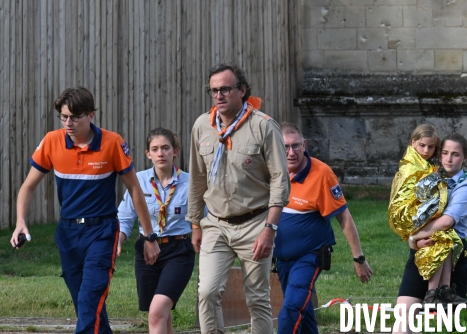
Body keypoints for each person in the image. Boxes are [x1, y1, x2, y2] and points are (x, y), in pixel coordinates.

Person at [10, 86, 160, 334]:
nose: (68, 123)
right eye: (63, 117)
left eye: (75, 117)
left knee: (89, 300)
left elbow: (135, 190)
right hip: (67, 233)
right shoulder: (51, 141)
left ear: (91, 115)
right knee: (87, 306)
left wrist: (149, 236)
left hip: (102, 232)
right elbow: (27, 187)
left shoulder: (112, 142)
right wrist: (20, 222)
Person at [186, 64, 290, 334]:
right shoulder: (201, 126)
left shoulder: (263, 126)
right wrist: (195, 224)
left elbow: (280, 180)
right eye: (213, 90)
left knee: (257, 299)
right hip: (216, 224)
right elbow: (197, 178)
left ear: (242, 91)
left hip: (255, 223)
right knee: (207, 293)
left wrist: (270, 229)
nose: (219, 95)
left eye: (225, 89)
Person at [275, 122, 373, 334]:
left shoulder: (322, 174)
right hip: (281, 258)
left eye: (296, 146)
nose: (291, 152)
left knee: (291, 308)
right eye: (285, 147)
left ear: (305, 144)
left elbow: (344, 217)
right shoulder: (271, 170)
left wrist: (359, 259)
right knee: (304, 309)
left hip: (310, 256)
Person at [393, 133, 467, 334]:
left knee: (447, 327)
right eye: (445, 153)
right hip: (422, 251)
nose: (449, 158)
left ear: (465, 158)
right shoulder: (430, 177)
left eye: (455, 154)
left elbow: (446, 222)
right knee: (402, 325)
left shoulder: (466, 187)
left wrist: (414, 237)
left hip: (451, 256)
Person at [117, 127, 195, 334]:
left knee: (157, 311)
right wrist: (118, 240)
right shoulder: (138, 181)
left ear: (175, 151)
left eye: (165, 148)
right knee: (162, 314)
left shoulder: (190, 183)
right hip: (147, 251)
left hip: (178, 250)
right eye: (155, 149)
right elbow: (124, 218)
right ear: (148, 154)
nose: (160, 153)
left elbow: (204, 217)